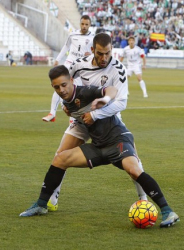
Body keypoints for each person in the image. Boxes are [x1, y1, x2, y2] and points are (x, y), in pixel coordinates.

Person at [19, 65, 180, 228]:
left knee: (133, 169)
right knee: (60, 159)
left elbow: (110, 90)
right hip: (99, 146)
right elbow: (72, 109)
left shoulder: (86, 92)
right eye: (56, 87)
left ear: (72, 81)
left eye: (64, 85)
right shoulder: (66, 102)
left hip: (118, 140)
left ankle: (168, 211)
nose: (61, 89)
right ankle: (41, 204)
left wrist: (104, 99)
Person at [45, 33, 148, 212]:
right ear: (92, 50)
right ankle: (51, 199)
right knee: (61, 155)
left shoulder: (118, 69)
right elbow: (64, 85)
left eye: (107, 53)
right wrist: (64, 105)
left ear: (111, 51)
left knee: (133, 162)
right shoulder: (79, 65)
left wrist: (97, 114)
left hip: (108, 120)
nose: (104, 57)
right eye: (100, 53)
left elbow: (121, 102)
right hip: (81, 120)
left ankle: (144, 200)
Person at [42, 15, 94, 122]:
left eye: (86, 24)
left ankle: (72, 117)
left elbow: (95, 53)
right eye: (82, 24)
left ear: (90, 25)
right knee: (60, 84)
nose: (84, 26)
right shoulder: (72, 34)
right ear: (80, 23)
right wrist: (58, 59)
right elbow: (66, 46)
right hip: (69, 63)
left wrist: (91, 55)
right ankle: (52, 113)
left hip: (81, 66)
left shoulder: (93, 37)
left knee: (75, 91)